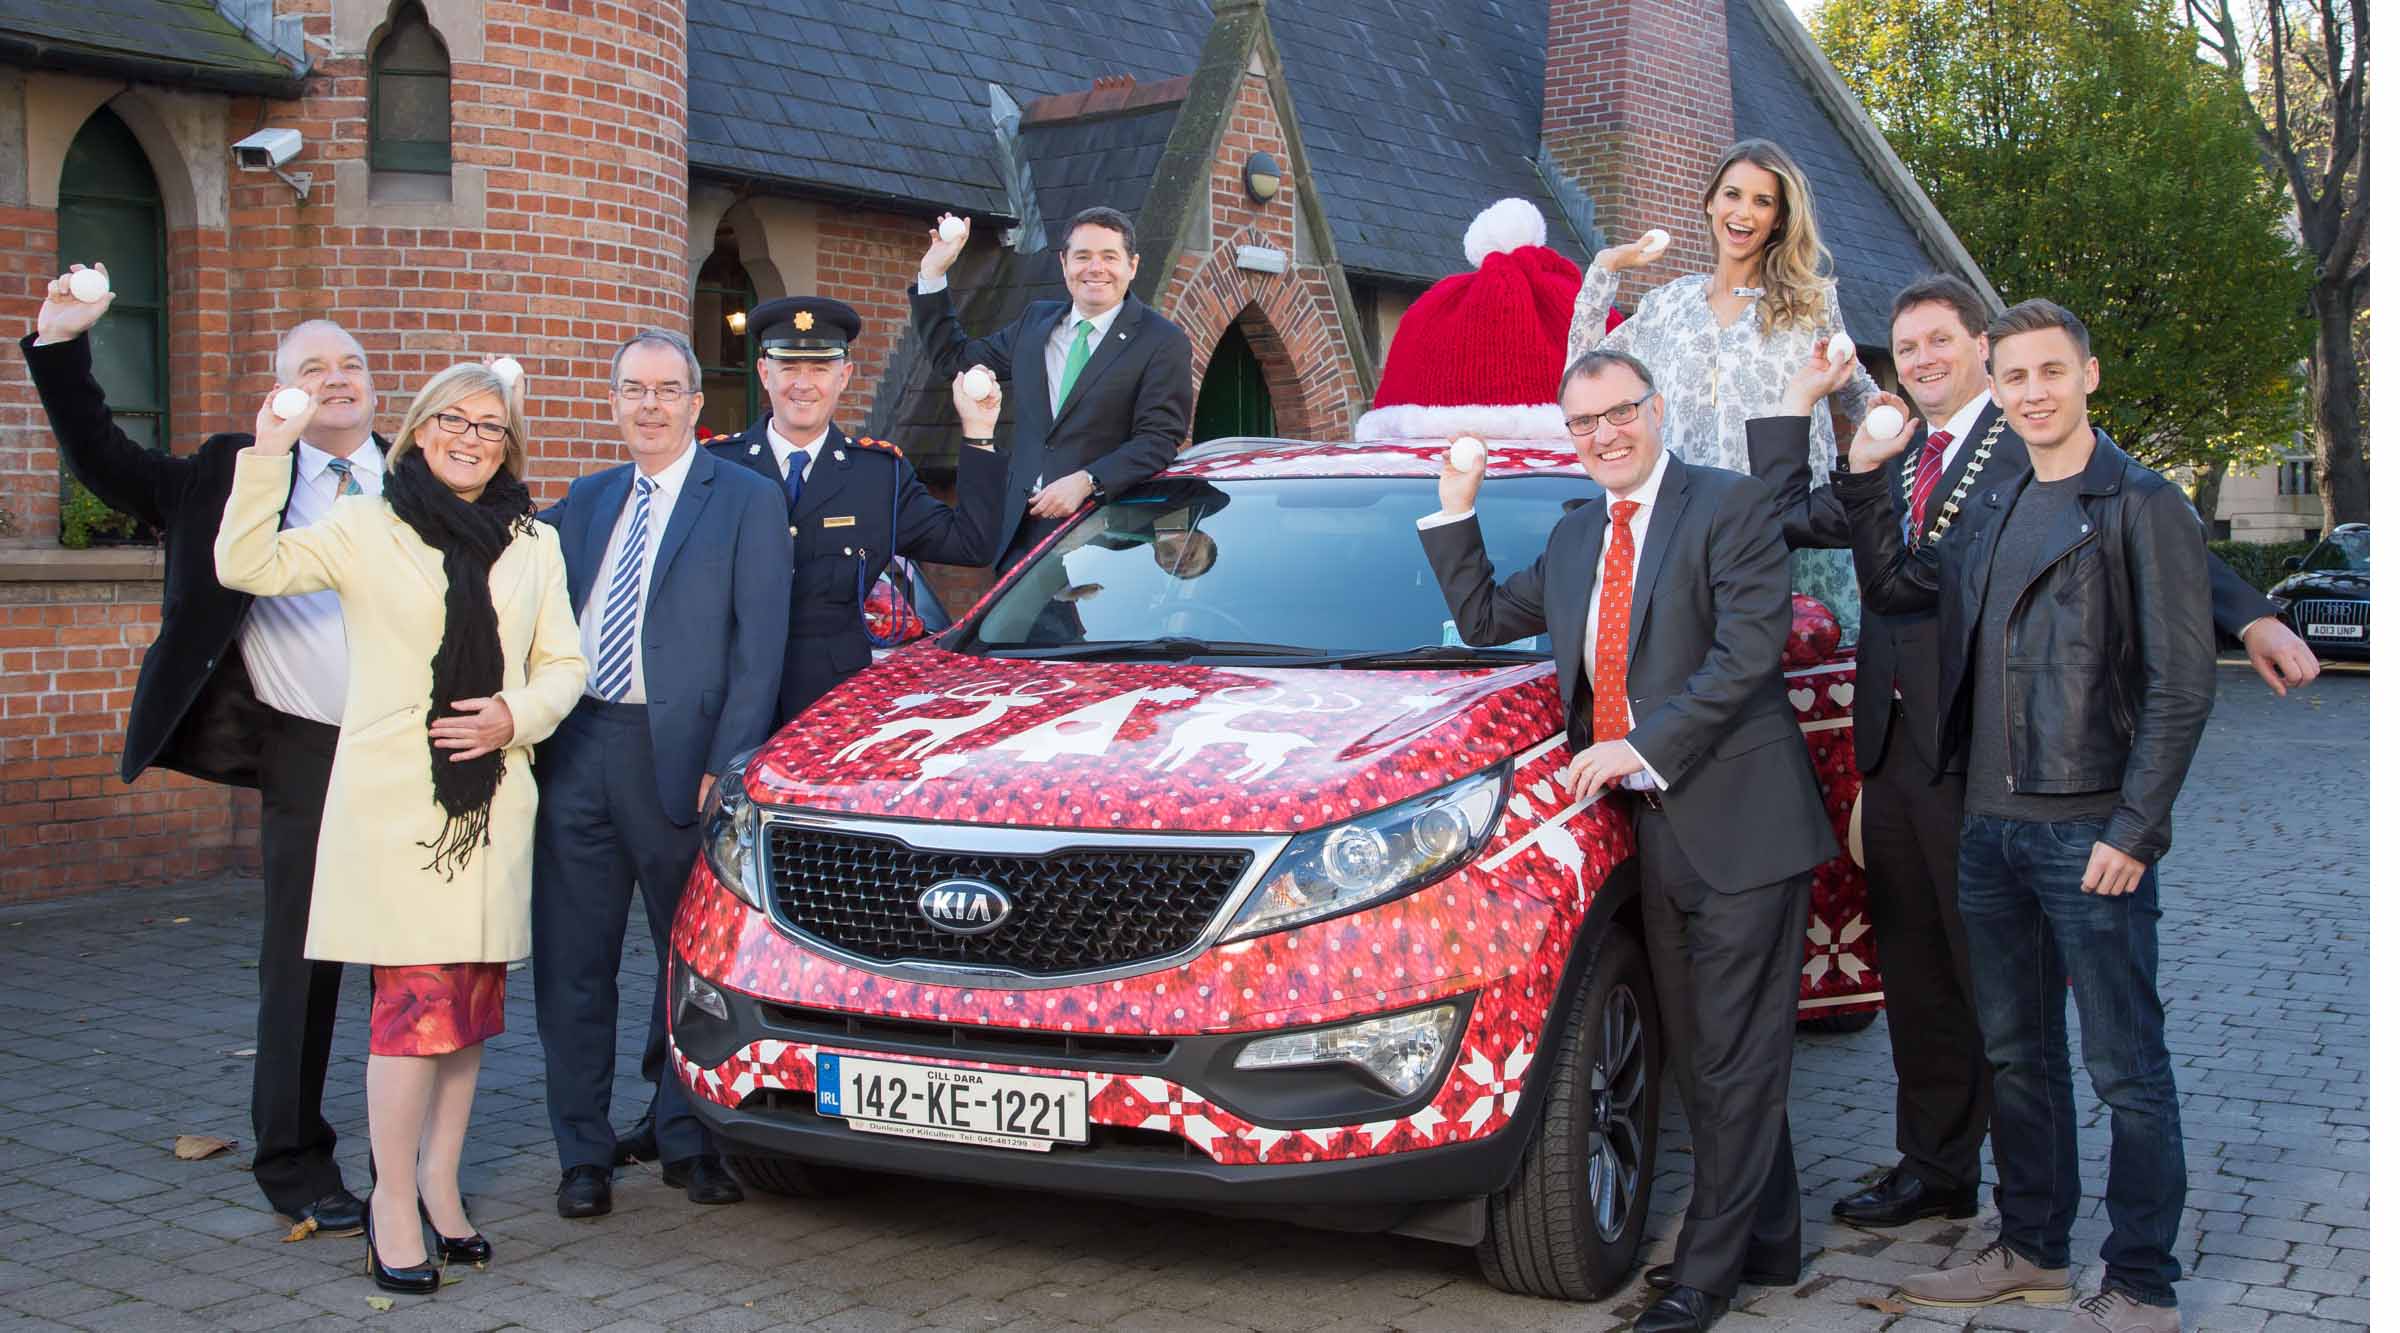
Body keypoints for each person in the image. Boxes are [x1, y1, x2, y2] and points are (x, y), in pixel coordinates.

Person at [1745, 276, 2319, 1232]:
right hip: (1890, 751)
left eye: (1940, 341)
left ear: (1982, 348)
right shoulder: (1892, 449)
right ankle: (1935, 1166)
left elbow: (2142, 519)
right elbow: (1790, 514)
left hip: (1989, 748)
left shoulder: (2028, 431)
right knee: (1918, 975)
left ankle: (2032, 1205)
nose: (1923, 360)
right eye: (1907, 347)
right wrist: (1796, 405)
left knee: (2001, 998)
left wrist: (2248, 609)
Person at [1420, 350, 1836, 1333]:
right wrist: (1455, 500)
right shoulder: (1575, 539)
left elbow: (1746, 656)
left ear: (1655, 411)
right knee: (1700, 1055)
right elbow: (1482, 615)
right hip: (1655, 835)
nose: (1604, 434)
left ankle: (1705, 1272)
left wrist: (1636, 746)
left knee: (1735, 1057)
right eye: (1584, 423)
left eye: (1620, 413)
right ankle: (1771, 1234)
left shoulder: (1726, 508)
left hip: (1745, 825)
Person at [1836, 302, 2212, 1333]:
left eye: (2055, 370)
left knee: (2126, 1068)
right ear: (1996, 387)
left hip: (2090, 830)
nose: (2036, 390)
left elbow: (2182, 688)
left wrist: (2135, 831)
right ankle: (2032, 1247)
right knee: (2017, 1054)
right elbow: (1902, 587)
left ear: (2090, 374)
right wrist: (1866, 477)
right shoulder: (1991, 504)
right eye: (2017, 375)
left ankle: (2141, 1280)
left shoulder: (2139, 504)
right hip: (1987, 827)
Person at [213, 362, 587, 1295]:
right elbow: (244, 565)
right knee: (413, 1012)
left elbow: (564, 663)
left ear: (509, 444)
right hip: (399, 812)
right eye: (453, 420)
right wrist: (267, 452)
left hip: (492, 806)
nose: (470, 436)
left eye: (491, 426)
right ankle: (389, 1202)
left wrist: (514, 714)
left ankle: (440, 1181)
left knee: (465, 1015)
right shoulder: (364, 526)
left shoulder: (534, 542)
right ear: (419, 430)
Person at [21, 269, 380, 1238]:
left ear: (375, 386)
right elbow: (104, 462)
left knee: (419, 968)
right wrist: (62, 344)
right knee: (301, 970)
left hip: (410, 755)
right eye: (313, 365)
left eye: (350, 363)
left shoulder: (425, 475)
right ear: (280, 391)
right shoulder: (231, 473)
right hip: (307, 748)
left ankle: (416, 1158)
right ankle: (294, 1160)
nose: (336, 377)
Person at [531, 332, 792, 1219]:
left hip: (679, 760)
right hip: (578, 747)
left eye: (667, 390)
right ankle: (583, 1151)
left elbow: (760, 649)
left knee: (688, 962)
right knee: (573, 961)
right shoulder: (587, 499)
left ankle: (687, 1134)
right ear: (614, 401)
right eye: (633, 389)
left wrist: (728, 762)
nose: (649, 404)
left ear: (694, 405)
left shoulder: (747, 500)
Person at [1565, 139, 1877, 625]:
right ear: (1711, 202)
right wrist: (1606, 270)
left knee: (1797, 688)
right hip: (1686, 536)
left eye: (1762, 201)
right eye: (1733, 195)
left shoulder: (1808, 302)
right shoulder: (1669, 306)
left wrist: (1893, 420)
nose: (1744, 213)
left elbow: (1860, 395)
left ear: (1778, 218)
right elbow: (1583, 374)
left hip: (1785, 533)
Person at [707, 296, 1011, 721]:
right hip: (725, 702)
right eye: (788, 367)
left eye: (819, 368)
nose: (803, 383)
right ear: (763, 371)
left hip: (833, 709)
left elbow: (971, 544)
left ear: (844, 375)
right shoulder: (717, 467)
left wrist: (979, 433)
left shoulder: (879, 475)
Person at [909, 204, 1195, 571]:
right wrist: (933, 273)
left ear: (1132, 265)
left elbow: (1158, 440)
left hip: (1101, 539)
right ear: (1064, 264)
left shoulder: (1162, 341)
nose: (1096, 268)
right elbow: (956, 360)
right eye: (1083, 256)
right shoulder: (1035, 322)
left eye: (1110, 256)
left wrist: (1088, 481)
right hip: (1017, 537)